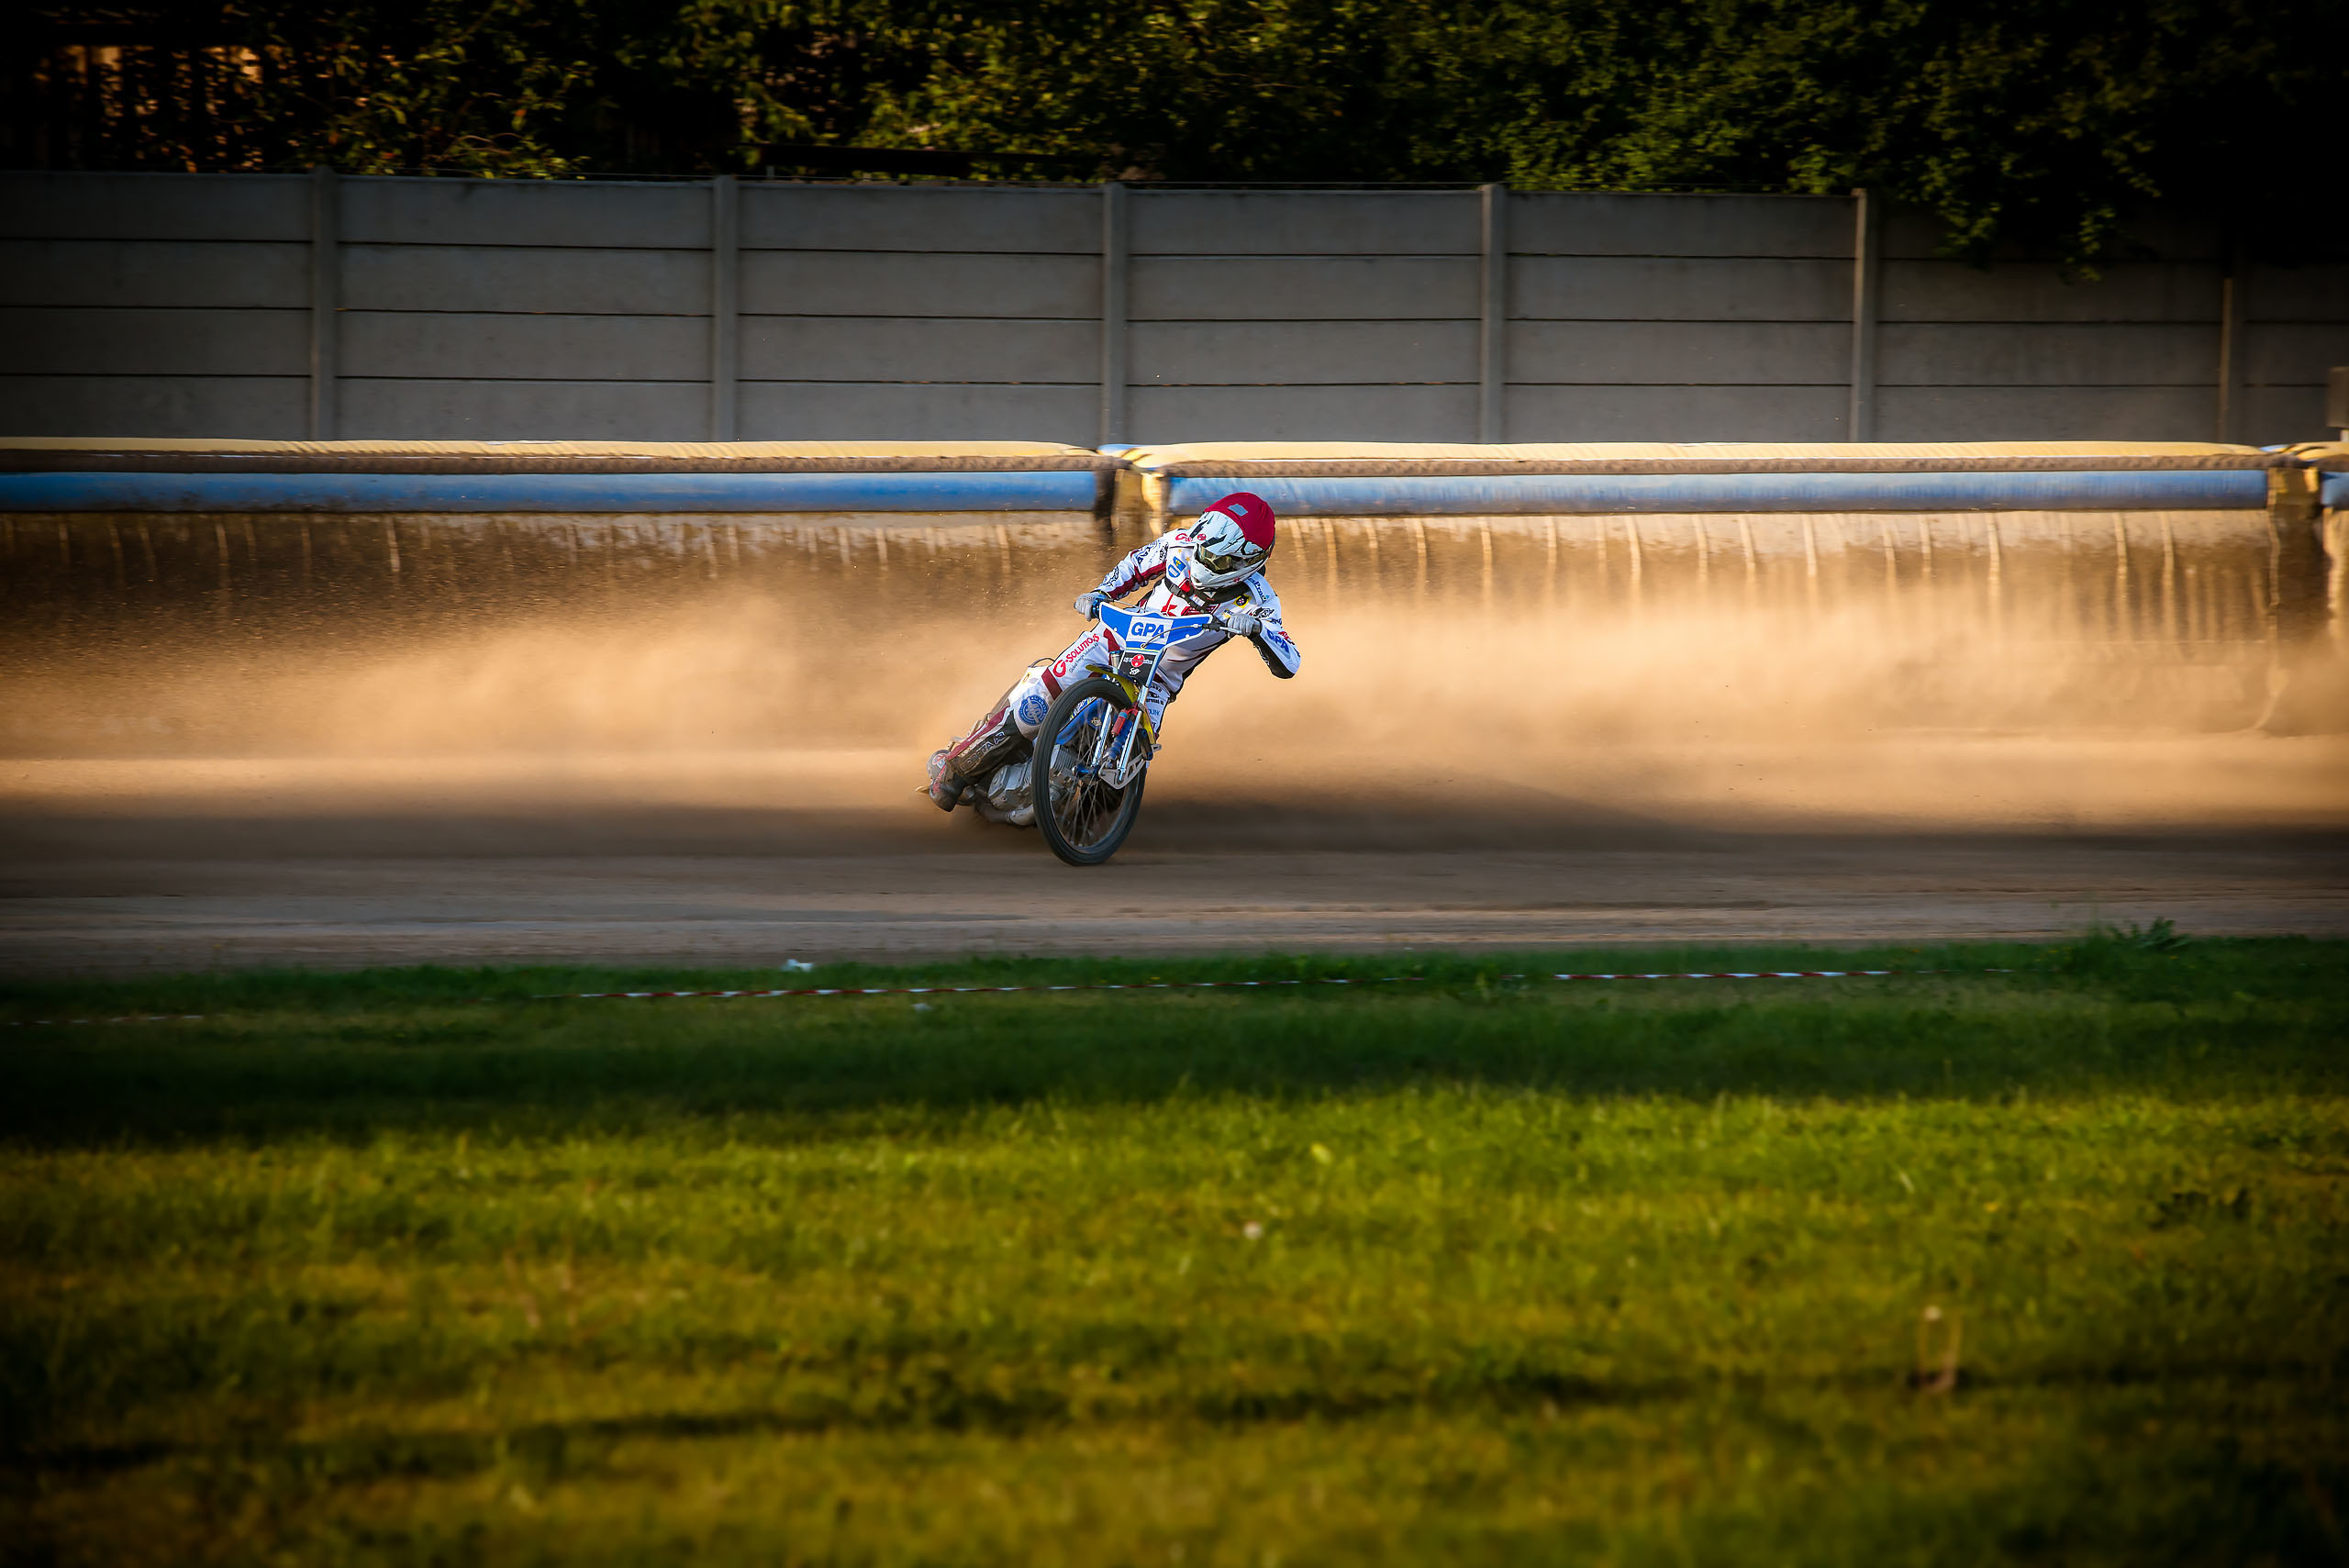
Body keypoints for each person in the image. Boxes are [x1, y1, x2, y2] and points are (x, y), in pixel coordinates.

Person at [926, 490, 1301, 814]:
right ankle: (957, 770)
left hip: (1158, 681)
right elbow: (1135, 565)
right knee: (1037, 700)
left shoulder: (1258, 599)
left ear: (1246, 561)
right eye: (1203, 549)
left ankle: (1065, 816)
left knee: (1113, 789)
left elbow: (1290, 661)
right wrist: (1103, 593)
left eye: (1215, 560)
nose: (1201, 561)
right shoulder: (1180, 543)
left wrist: (1257, 631)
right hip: (1114, 640)